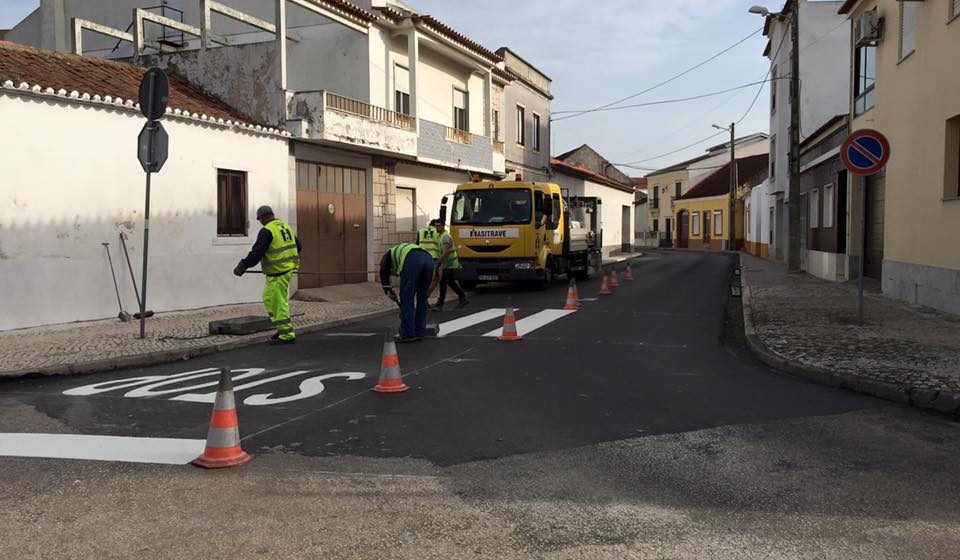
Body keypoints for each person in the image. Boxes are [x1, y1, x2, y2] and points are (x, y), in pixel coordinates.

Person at [233, 206, 301, 345]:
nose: (260, 222)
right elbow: (298, 246)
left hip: (278, 272)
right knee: (269, 298)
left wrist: (244, 265)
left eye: (259, 219)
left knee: (277, 302)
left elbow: (257, 252)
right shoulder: (285, 226)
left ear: (263, 217)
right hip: (285, 270)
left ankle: (287, 334)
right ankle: (282, 328)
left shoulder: (267, 230)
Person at [379, 242, 434, 342]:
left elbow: (383, 272)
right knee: (422, 298)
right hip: (428, 259)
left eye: (393, 273)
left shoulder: (387, 256)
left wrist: (387, 290)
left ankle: (408, 334)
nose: (395, 275)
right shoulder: (401, 252)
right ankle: (419, 332)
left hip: (412, 260)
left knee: (406, 298)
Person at [433, 220, 468, 311]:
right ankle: (463, 298)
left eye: (439, 226)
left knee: (443, 282)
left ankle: (440, 303)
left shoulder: (445, 237)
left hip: (450, 264)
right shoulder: (441, 236)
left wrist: (438, 262)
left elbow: (445, 252)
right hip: (448, 264)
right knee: (450, 282)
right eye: (436, 226)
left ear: (443, 226)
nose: (437, 227)